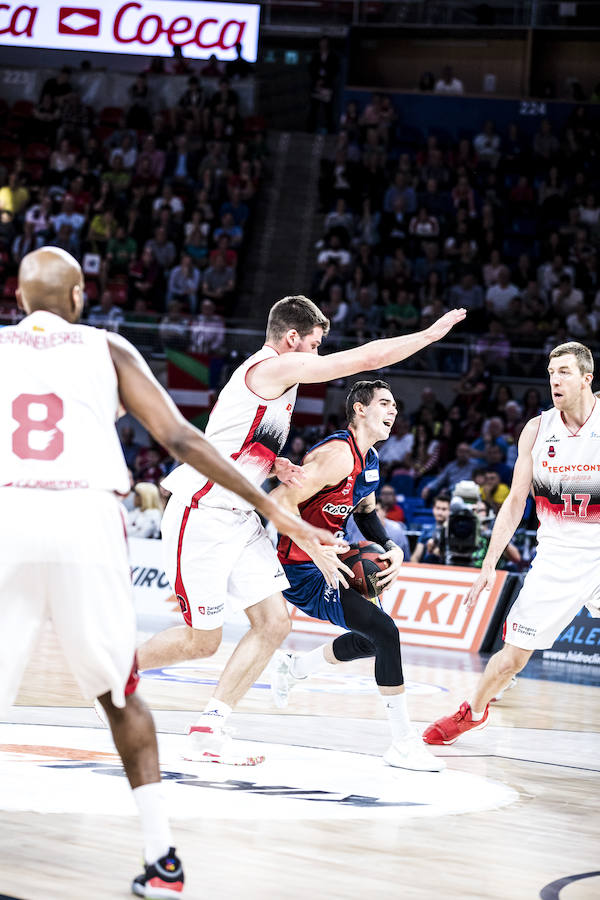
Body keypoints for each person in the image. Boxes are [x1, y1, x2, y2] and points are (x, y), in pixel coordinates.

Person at [0, 248, 334, 897]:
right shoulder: (108, 349)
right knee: (121, 694)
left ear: (17, 301)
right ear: (77, 301)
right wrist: (270, 505)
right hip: (87, 519)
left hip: (11, 514)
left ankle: (209, 730)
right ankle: (163, 861)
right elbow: (181, 440)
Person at [137, 295, 466, 764]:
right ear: (292, 339)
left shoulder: (279, 383)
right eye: (314, 345)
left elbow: (237, 438)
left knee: (274, 624)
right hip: (204, 511)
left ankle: (210, 727)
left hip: (242, 515)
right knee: (202, 640)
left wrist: (275, 461)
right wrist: (429, 337)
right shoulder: (270, 368)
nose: (317, 355)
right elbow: (365, 359)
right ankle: (115, 674)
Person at [423, 341, 600, 747]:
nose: (555, 379)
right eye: (552, 371)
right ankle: (475, 711)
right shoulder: (537, 430)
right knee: (511, 659)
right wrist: (488, 565)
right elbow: (515, 501)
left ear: (587, 378)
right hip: (558, 559)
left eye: (566, 372)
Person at [270, 380, 444, 772]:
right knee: (386, 633)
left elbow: (364, 512)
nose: (393, 411)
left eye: (396, 406)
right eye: (385, 403)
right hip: (300, 567)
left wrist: (390, 546)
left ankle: (294, 668)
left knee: (374, 640)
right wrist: (316, 550)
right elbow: (280, 502)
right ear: (360, 410)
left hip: (332, 557)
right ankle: (402, 742)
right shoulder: (336, 455)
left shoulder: (369, 461)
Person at [410, 492, 451, 563]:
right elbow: (415, 557)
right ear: (433, 509)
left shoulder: (454, 532)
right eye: (438, 508)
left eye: (444, 509)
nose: (440, 512)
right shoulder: (427, 530)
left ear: (450, 511)